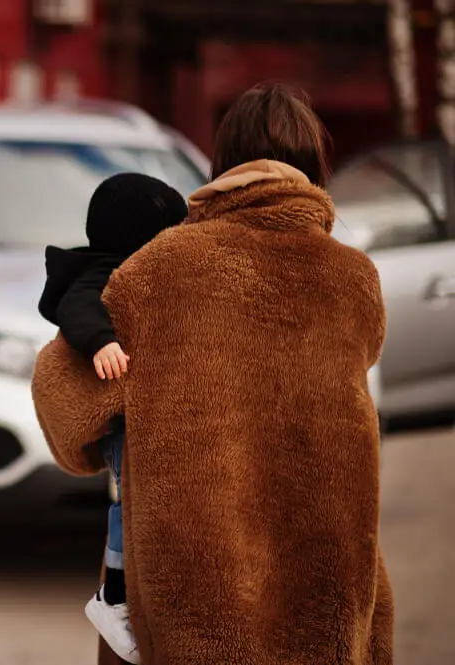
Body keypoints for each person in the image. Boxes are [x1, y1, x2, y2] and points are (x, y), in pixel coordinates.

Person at [31, 83, 393, 664]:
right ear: (313, 170)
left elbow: (65, 410)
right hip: (328, 608)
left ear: (222, 165)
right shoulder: (355, 281)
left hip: (189, 622)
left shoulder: (159, 269)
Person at [38, 173, 188, 663]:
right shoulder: (103, 272)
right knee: (130, 501)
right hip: (122, 426)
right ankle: (117, 597)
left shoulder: (144, 271)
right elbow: (76, 306)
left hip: (143, 418)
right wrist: (101, 341)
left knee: (140, 503)